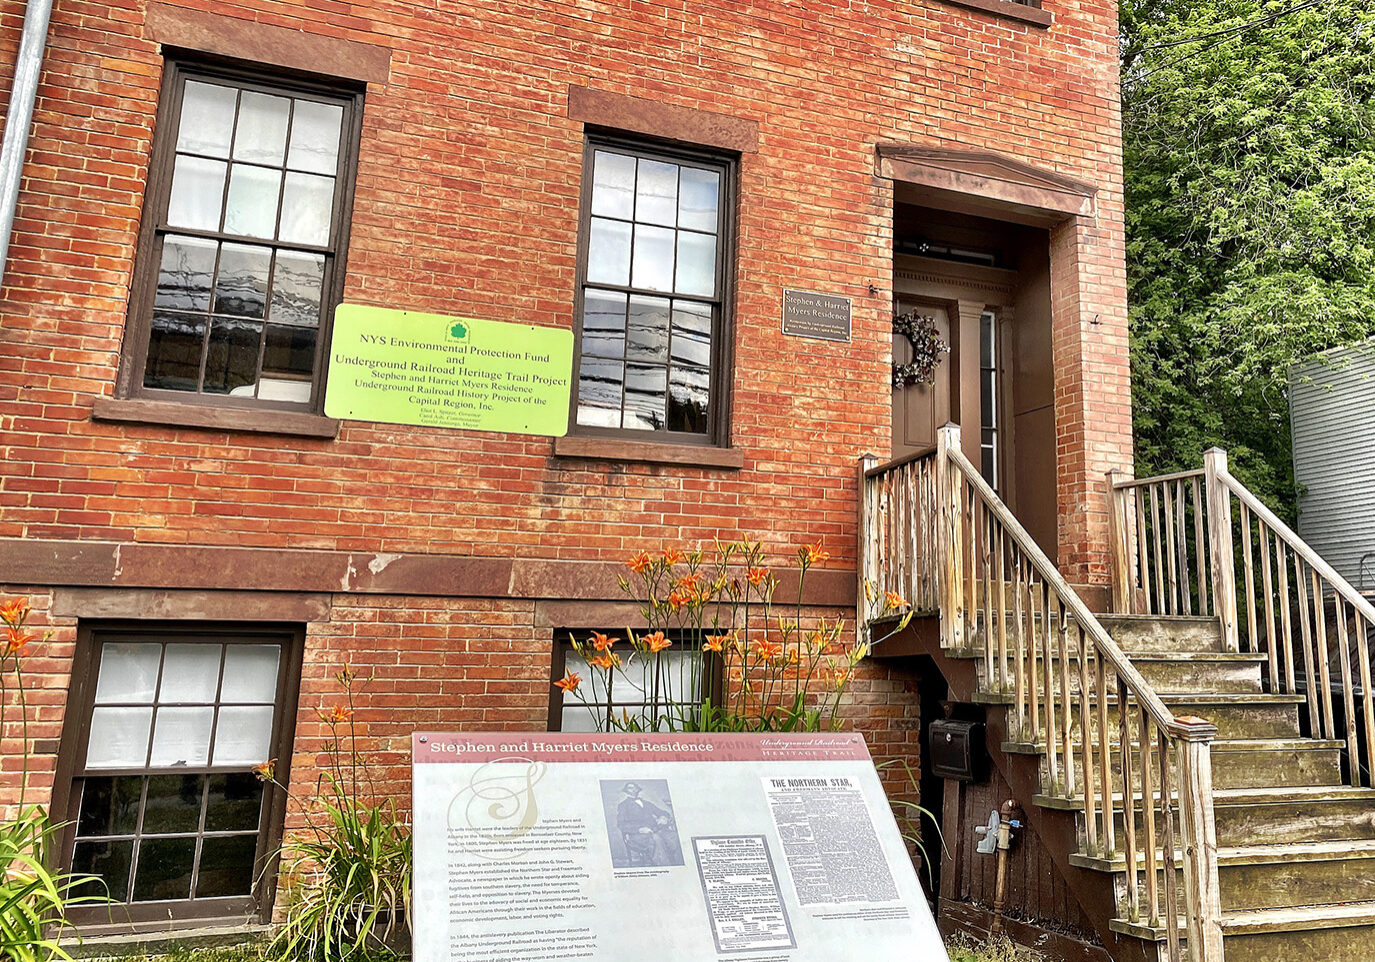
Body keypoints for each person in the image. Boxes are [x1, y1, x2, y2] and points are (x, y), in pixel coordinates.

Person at [616, 781, 676, 866]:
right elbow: (621, 824)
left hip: (655, 831)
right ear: (626, 790)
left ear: (638, 789)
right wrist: (639, 829)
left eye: (635, 787)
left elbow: (662, 812)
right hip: (636, 836)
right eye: (630, 788)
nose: (633, 789)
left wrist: (663, 817)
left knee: (673, 836)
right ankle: (666, 867)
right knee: (656, 839)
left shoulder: (647, 803)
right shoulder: (623, 805)